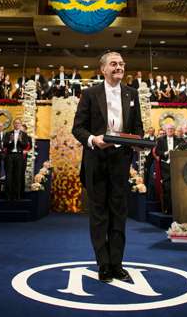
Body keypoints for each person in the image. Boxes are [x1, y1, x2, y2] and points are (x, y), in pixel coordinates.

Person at [72, 52, 144, 283]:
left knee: (119, 215)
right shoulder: (90, 93)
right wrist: (94, 139)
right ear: (103, 69)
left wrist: (139, 143)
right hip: (96, 161)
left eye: (122, 64)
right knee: (99, 216)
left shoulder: (132, 94)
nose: (119, 67)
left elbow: (137, 129)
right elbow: (78, 128)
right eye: (114, 64)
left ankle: (117, 264)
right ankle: (103, 265)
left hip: (120, 163)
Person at [155, 124, 184, 214]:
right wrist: (165, 153)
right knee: (167, 188)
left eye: (172, 129)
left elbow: (183, 150)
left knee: (177, 187)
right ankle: (167, 209)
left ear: (174, 130)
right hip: (165, 166)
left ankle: (178, 209)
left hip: (177, 166)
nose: (170, 130)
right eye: (168, 129)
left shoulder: (179, 140)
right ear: (165, 130)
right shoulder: (160, 140)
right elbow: (157, 152)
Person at [3, 118, 31, 200]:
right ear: (13, 124)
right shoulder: (8, 134)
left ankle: (17, 196)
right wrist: (10, 141)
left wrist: (20, 140)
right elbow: (5, 144)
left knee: (18, 176)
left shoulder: (24, 134)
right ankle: (8, 196)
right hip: (10, 155)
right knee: (9, 176)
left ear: (20, 124)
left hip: (19, 156)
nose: (17, 125)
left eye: (19, 123)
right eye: (15, 123)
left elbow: (25, 145)